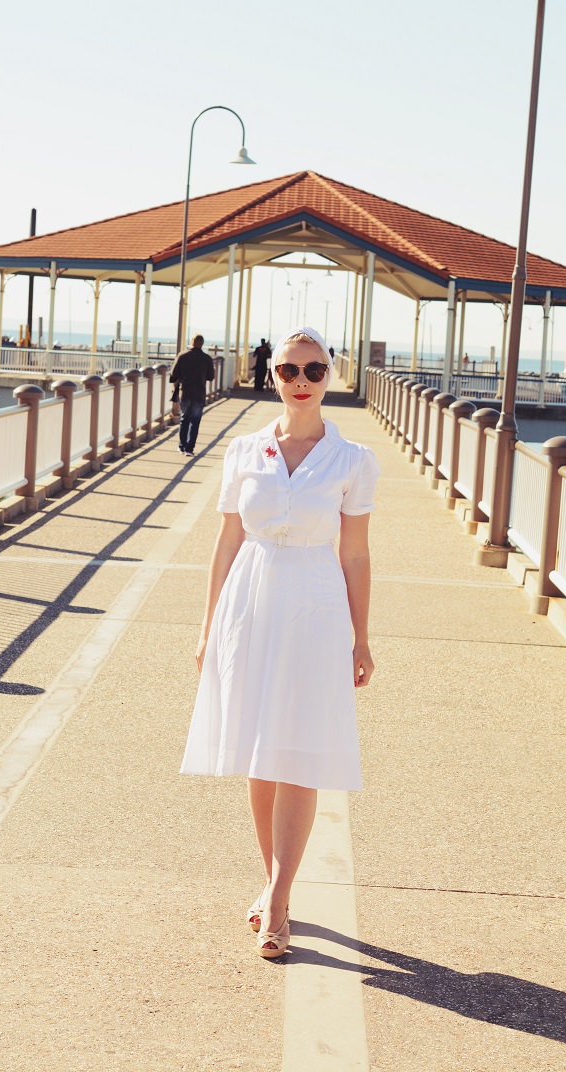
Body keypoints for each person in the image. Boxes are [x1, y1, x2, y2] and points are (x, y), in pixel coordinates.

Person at [180, 325, 379, 958]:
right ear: (274, 376)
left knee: (298, 751)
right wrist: (208, 627)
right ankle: (272, 883)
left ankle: (281, 900)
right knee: (259, 749)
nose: (301, 381)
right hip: (251, 600)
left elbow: (355, 554)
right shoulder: (242, 451)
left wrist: (362, 638)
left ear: (331, 376)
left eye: (314, 371)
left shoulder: (353, 461)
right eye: (290, 370)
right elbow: (226, 544)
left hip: (316, 605)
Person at [169, 334, 215, 456]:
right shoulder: (206, 358)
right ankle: (190, 448)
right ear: (202, 344)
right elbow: (211, 377)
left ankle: (181, 446)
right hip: (199, 393)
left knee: (184, 419)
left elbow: (173, 374)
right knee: (195, 421)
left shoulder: (182, 356)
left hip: (185, 392)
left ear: (192, 342)